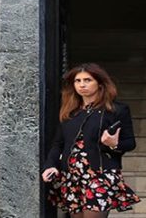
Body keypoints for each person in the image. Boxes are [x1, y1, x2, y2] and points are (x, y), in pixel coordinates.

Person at [42, 63, 140, 217]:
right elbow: (58, 144)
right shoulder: (70, 112)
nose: (82, 85)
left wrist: (113, 144)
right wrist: (50, 165)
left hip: (100, 174)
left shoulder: (116, 110)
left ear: (100, 83)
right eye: (78, 81)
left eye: (87, 80)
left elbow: (129, 143)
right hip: (72, 176)